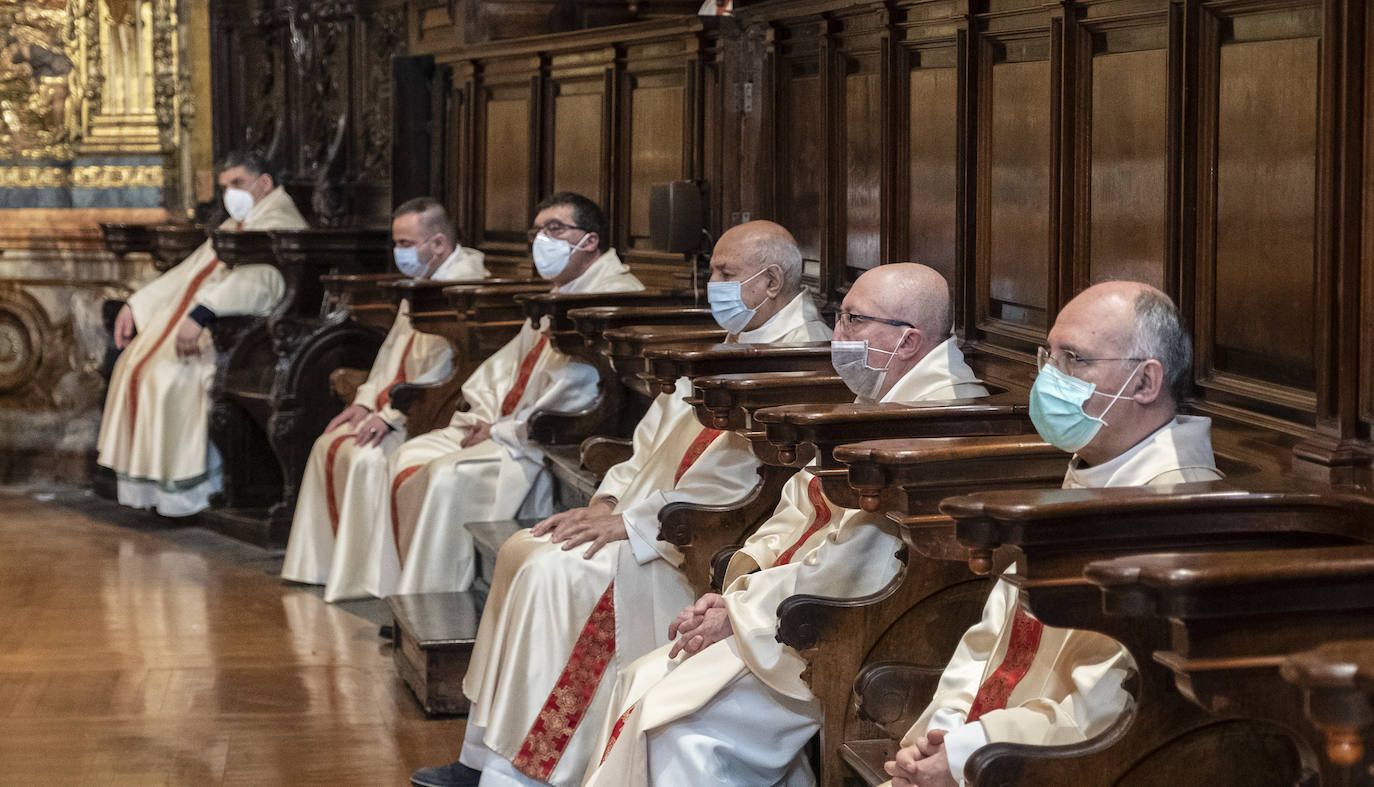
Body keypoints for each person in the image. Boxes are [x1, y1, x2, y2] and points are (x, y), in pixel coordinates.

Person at [411, 220, 832, 787]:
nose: (713, 285)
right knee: (524, 550)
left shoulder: (799, 358)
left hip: (682, 540)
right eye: (714, 271)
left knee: (554, 574)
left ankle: (530, 773)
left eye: (727, 274)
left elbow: (736, 489)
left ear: (772, 281)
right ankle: (484, 756)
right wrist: (610, 499)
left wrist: (634, 523)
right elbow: (654, 439)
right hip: (642, 516)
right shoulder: (737, 338)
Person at [582, 263, 988, 786]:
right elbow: (796, 509)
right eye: (840, 317)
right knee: (643, 680)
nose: (837, 335)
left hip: (830, 631)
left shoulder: (936, 425)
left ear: (908, 341)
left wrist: (742, 607)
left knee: (675, 729)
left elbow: (855, 565)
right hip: (776, 611)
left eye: (853, 321)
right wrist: (736, 592)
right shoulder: (882, 395)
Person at [882, 281, 1221, 787]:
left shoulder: (1175, 509)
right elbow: (995, 638)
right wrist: (944, 734)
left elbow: (1116, 698)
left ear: (1146, 382)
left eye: (1075, 360)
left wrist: (966, 753)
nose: (1048, 378)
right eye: (1050, 355)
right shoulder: (1098, 467)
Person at [360, 192, 644, 602]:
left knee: (444, 477)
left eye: (555, 228)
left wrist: (502, 428)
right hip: (507, 426)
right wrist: (486, 416)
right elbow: (503, 368)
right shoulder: (559, 289)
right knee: (405, 455)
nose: (542, 239)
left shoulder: (611, 296)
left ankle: (433, 598)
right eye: (537, 230)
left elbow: (579, 388)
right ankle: (395, 593)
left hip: (539, 438)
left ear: (591, 240)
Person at [280, 197, 487, 599]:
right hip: (397, 403)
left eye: (406, 243)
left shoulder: (465, 286)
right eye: (397, 242)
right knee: (328, 445)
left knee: (364, 456)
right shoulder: (425, 276)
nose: (399, 252)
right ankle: (322, 567)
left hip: (427, 409)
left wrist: (391, 414)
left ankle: (364, 579)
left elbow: (448, 368)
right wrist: (363, 401)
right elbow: (391, 352)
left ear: (439, 244)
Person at [96, 149, 307, 516]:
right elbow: (187, 274)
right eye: (225, 186)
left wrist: (204, 313)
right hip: (204, 328)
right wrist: (136, 305)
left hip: (239, 336)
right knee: (134, 366)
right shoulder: (236, 224)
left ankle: (189, 493)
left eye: (237, 183)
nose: (230, 194)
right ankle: (152, 490)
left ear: (265, 183)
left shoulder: (280, 221)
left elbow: (264, 281)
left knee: (166, 378)